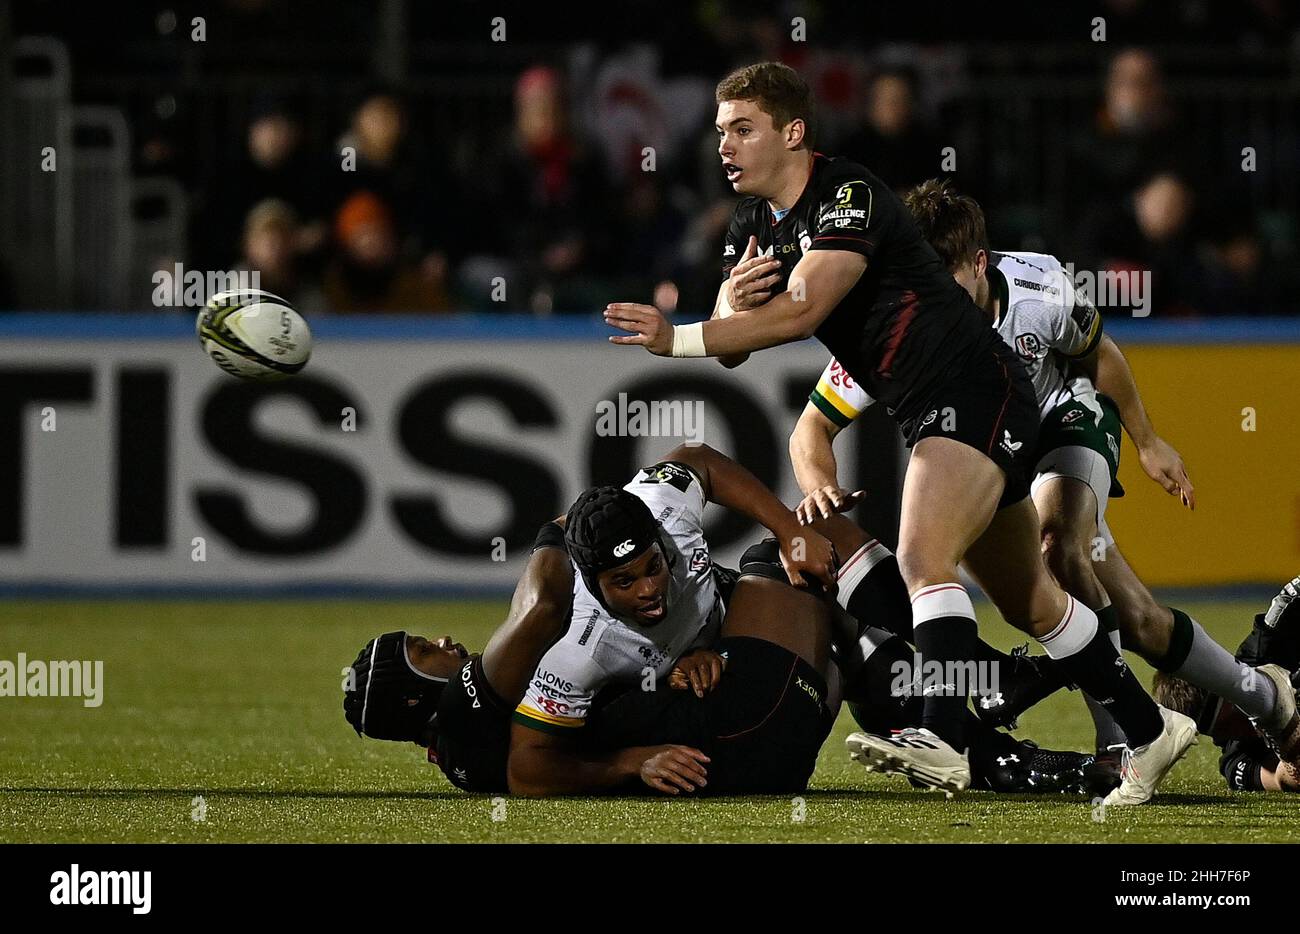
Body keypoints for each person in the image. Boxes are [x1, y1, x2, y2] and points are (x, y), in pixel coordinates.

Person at [604, 61, 1194, 804]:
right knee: (1033, 604)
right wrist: (724, 301)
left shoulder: (847, 194)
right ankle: (1152, 731)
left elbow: (802, 313)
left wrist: (676, 339)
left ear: (793, 133)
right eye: (720, 131)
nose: (725, 145)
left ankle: (942, 736)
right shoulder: (752, 223)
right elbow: (736, 344)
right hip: (932, 405)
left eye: (743, 129)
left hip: (973, 384)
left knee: (922, 557)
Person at [789, 179, 1300, 787]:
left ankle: (1119, 746)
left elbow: (1100, 355)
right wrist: (819, 483)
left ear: (980, 265)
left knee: (1058, 540)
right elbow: (809, 431)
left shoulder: (1039, 287)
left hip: (1064, 416)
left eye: (941, 282)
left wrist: (1147, 441)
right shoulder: (899, 317)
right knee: (1139, 622)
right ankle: (1270, 701)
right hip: (987, 451)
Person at [1153, 578, 1300, 793]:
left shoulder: (1265, 650)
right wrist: (1290, 745)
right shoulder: (1238, 761)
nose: (1249, 725)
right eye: (1226, 730)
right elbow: (1288, 778)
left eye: (1237, 713)